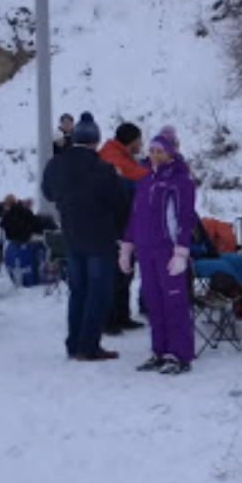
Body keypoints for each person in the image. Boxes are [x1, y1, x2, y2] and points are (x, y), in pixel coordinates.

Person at [42, 112, 128, 361]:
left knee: (78, 291)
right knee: (98, 292)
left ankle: (74, 343)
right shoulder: (103, 169)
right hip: (100, 238)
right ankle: (89, 346)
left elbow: (48, 193)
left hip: (70, 235)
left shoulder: (55, 165)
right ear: (95, 142)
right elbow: (119, 203)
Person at [120, 134, 197, 375]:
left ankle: (179, 353)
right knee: (153, 302)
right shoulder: (145, 180)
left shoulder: (180, 181)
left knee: (174, 302)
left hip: (168, 249)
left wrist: (181, 252)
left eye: (160, 151)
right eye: (152, 150)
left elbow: (185, 218)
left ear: (171, 152)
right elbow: (135, 215)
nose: (155, 155)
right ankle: (159, 350)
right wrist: (127, 247)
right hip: (146, 249)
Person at [99, 122, 148, 334]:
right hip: (113, 224)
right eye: (139, 139)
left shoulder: (119, 155)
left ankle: (122, 315)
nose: (142, 143)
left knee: (125, 271)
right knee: (116, 273)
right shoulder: (113, 158)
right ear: (131, 141)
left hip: (123, 223)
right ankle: (110, 320)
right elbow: (141, 178)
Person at [0, 195, 46, 286]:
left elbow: (2, 225)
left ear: (7, 205)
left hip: (14, 243)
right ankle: (36, 276)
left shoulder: (7, 215)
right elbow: (36, 223)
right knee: (39, 250)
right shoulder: (25, 211)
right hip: (28, 240)